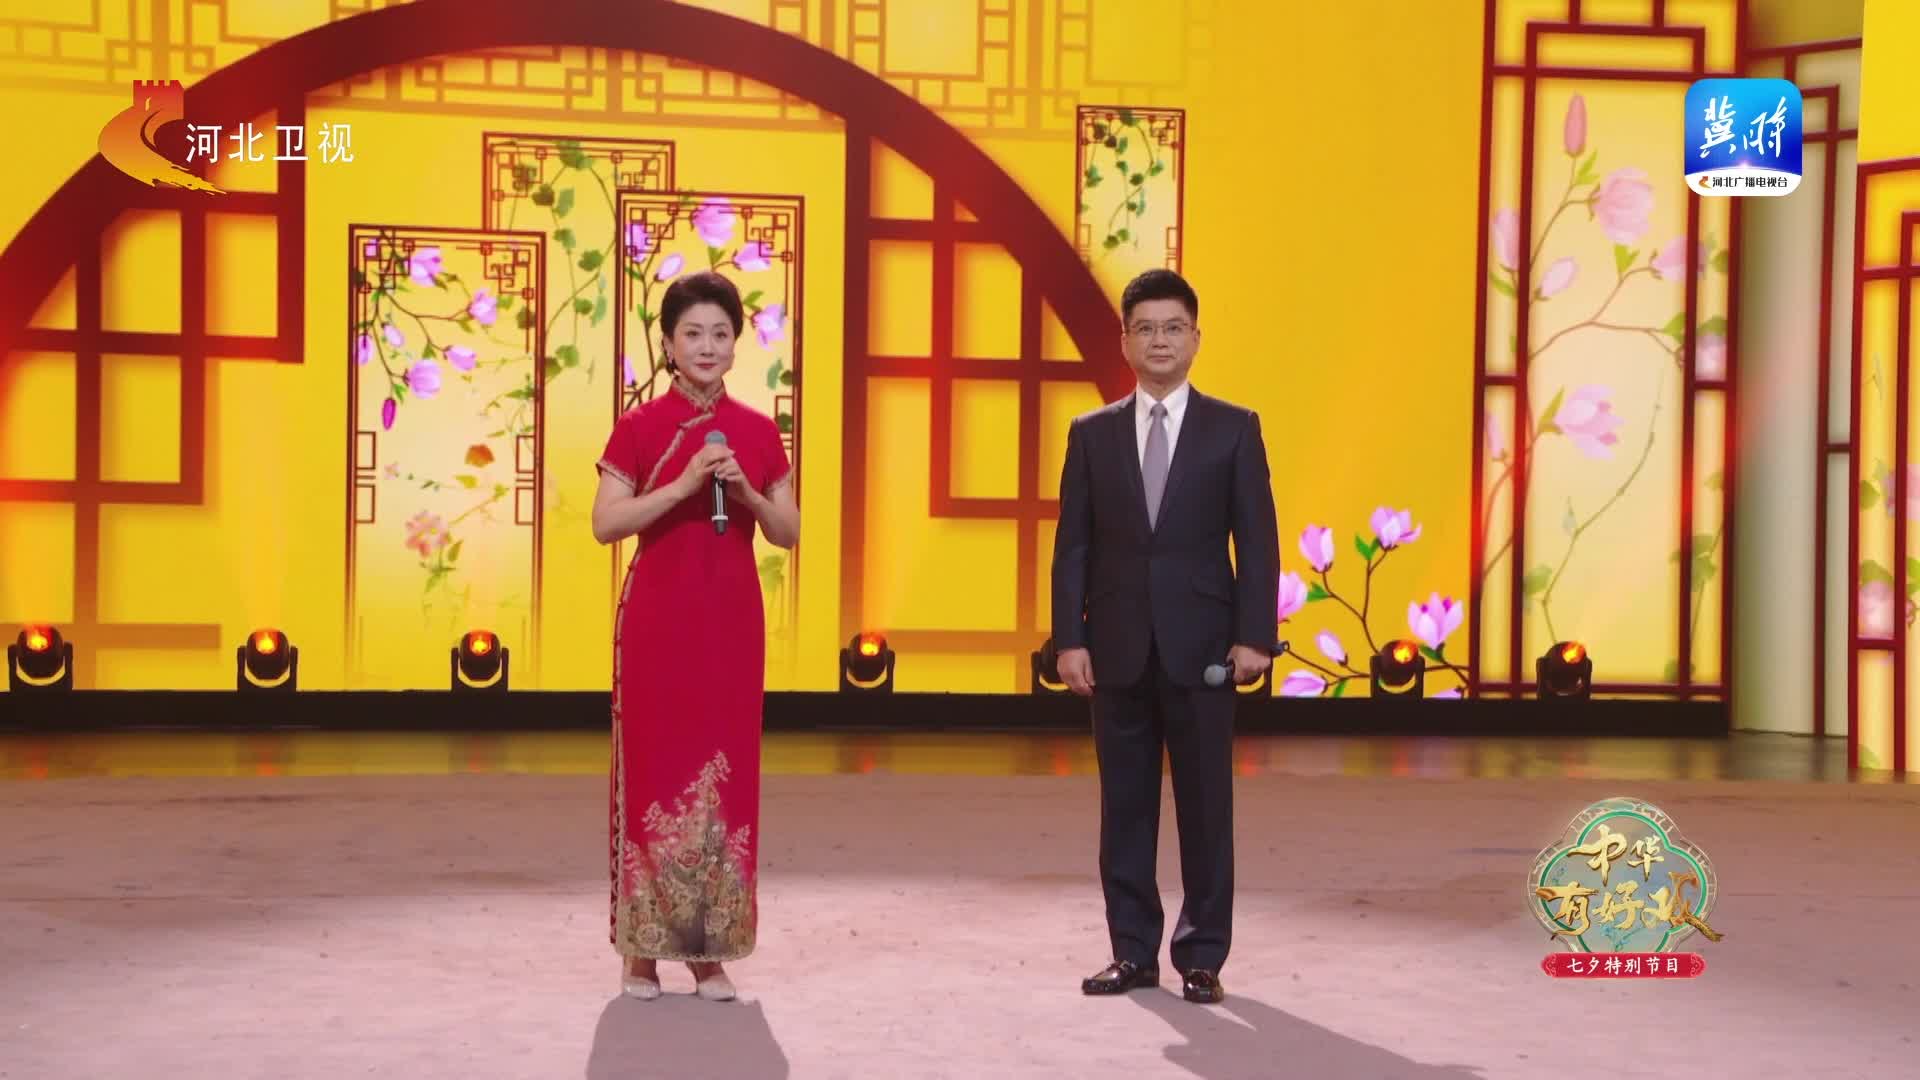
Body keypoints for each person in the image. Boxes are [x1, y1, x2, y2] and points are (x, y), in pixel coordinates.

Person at [1049, 268, 1279, 1005]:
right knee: (1125, 808)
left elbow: (1258, 541)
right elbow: (1073, 546)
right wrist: (1069, 639)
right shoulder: (1092, 434)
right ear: (1124, 341)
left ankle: (1202, 955)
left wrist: (1255, 636)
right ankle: (1132, 952)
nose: (1159, 341)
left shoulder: (1234, 428)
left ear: (1196, 339)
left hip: (1204, 649)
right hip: (1115, 647)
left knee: (1207, 807)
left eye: (1173, 328)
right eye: (1145, 328)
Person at [590, 270, 800, 1003]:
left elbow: (788, 531)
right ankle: (641, 953)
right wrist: (681, 487)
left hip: (730, 624)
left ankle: (709, 954)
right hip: (657, 621)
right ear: (669, 344)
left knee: (725, 778)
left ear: (736, 344)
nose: (707, 346)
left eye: (720, 333)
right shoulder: (640, 426)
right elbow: (605, 523)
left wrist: (747, 492)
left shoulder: (758, 430)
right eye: (692, 334)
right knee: (653, 773)